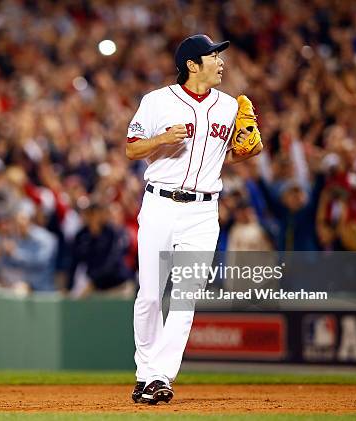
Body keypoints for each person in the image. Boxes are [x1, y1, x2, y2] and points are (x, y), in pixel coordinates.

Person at [125, 34, 263, 404]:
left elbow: (229, 156)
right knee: (151, 295)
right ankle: (147, 373)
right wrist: (161, 140)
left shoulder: (229, 105)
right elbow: (131, 148)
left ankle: (159, 376)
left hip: (203, 211)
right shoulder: (156, 101)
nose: (221, 61)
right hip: (159, 205)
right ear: (192, 64)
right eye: (213, 55)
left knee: (185, 299)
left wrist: (247, 152)